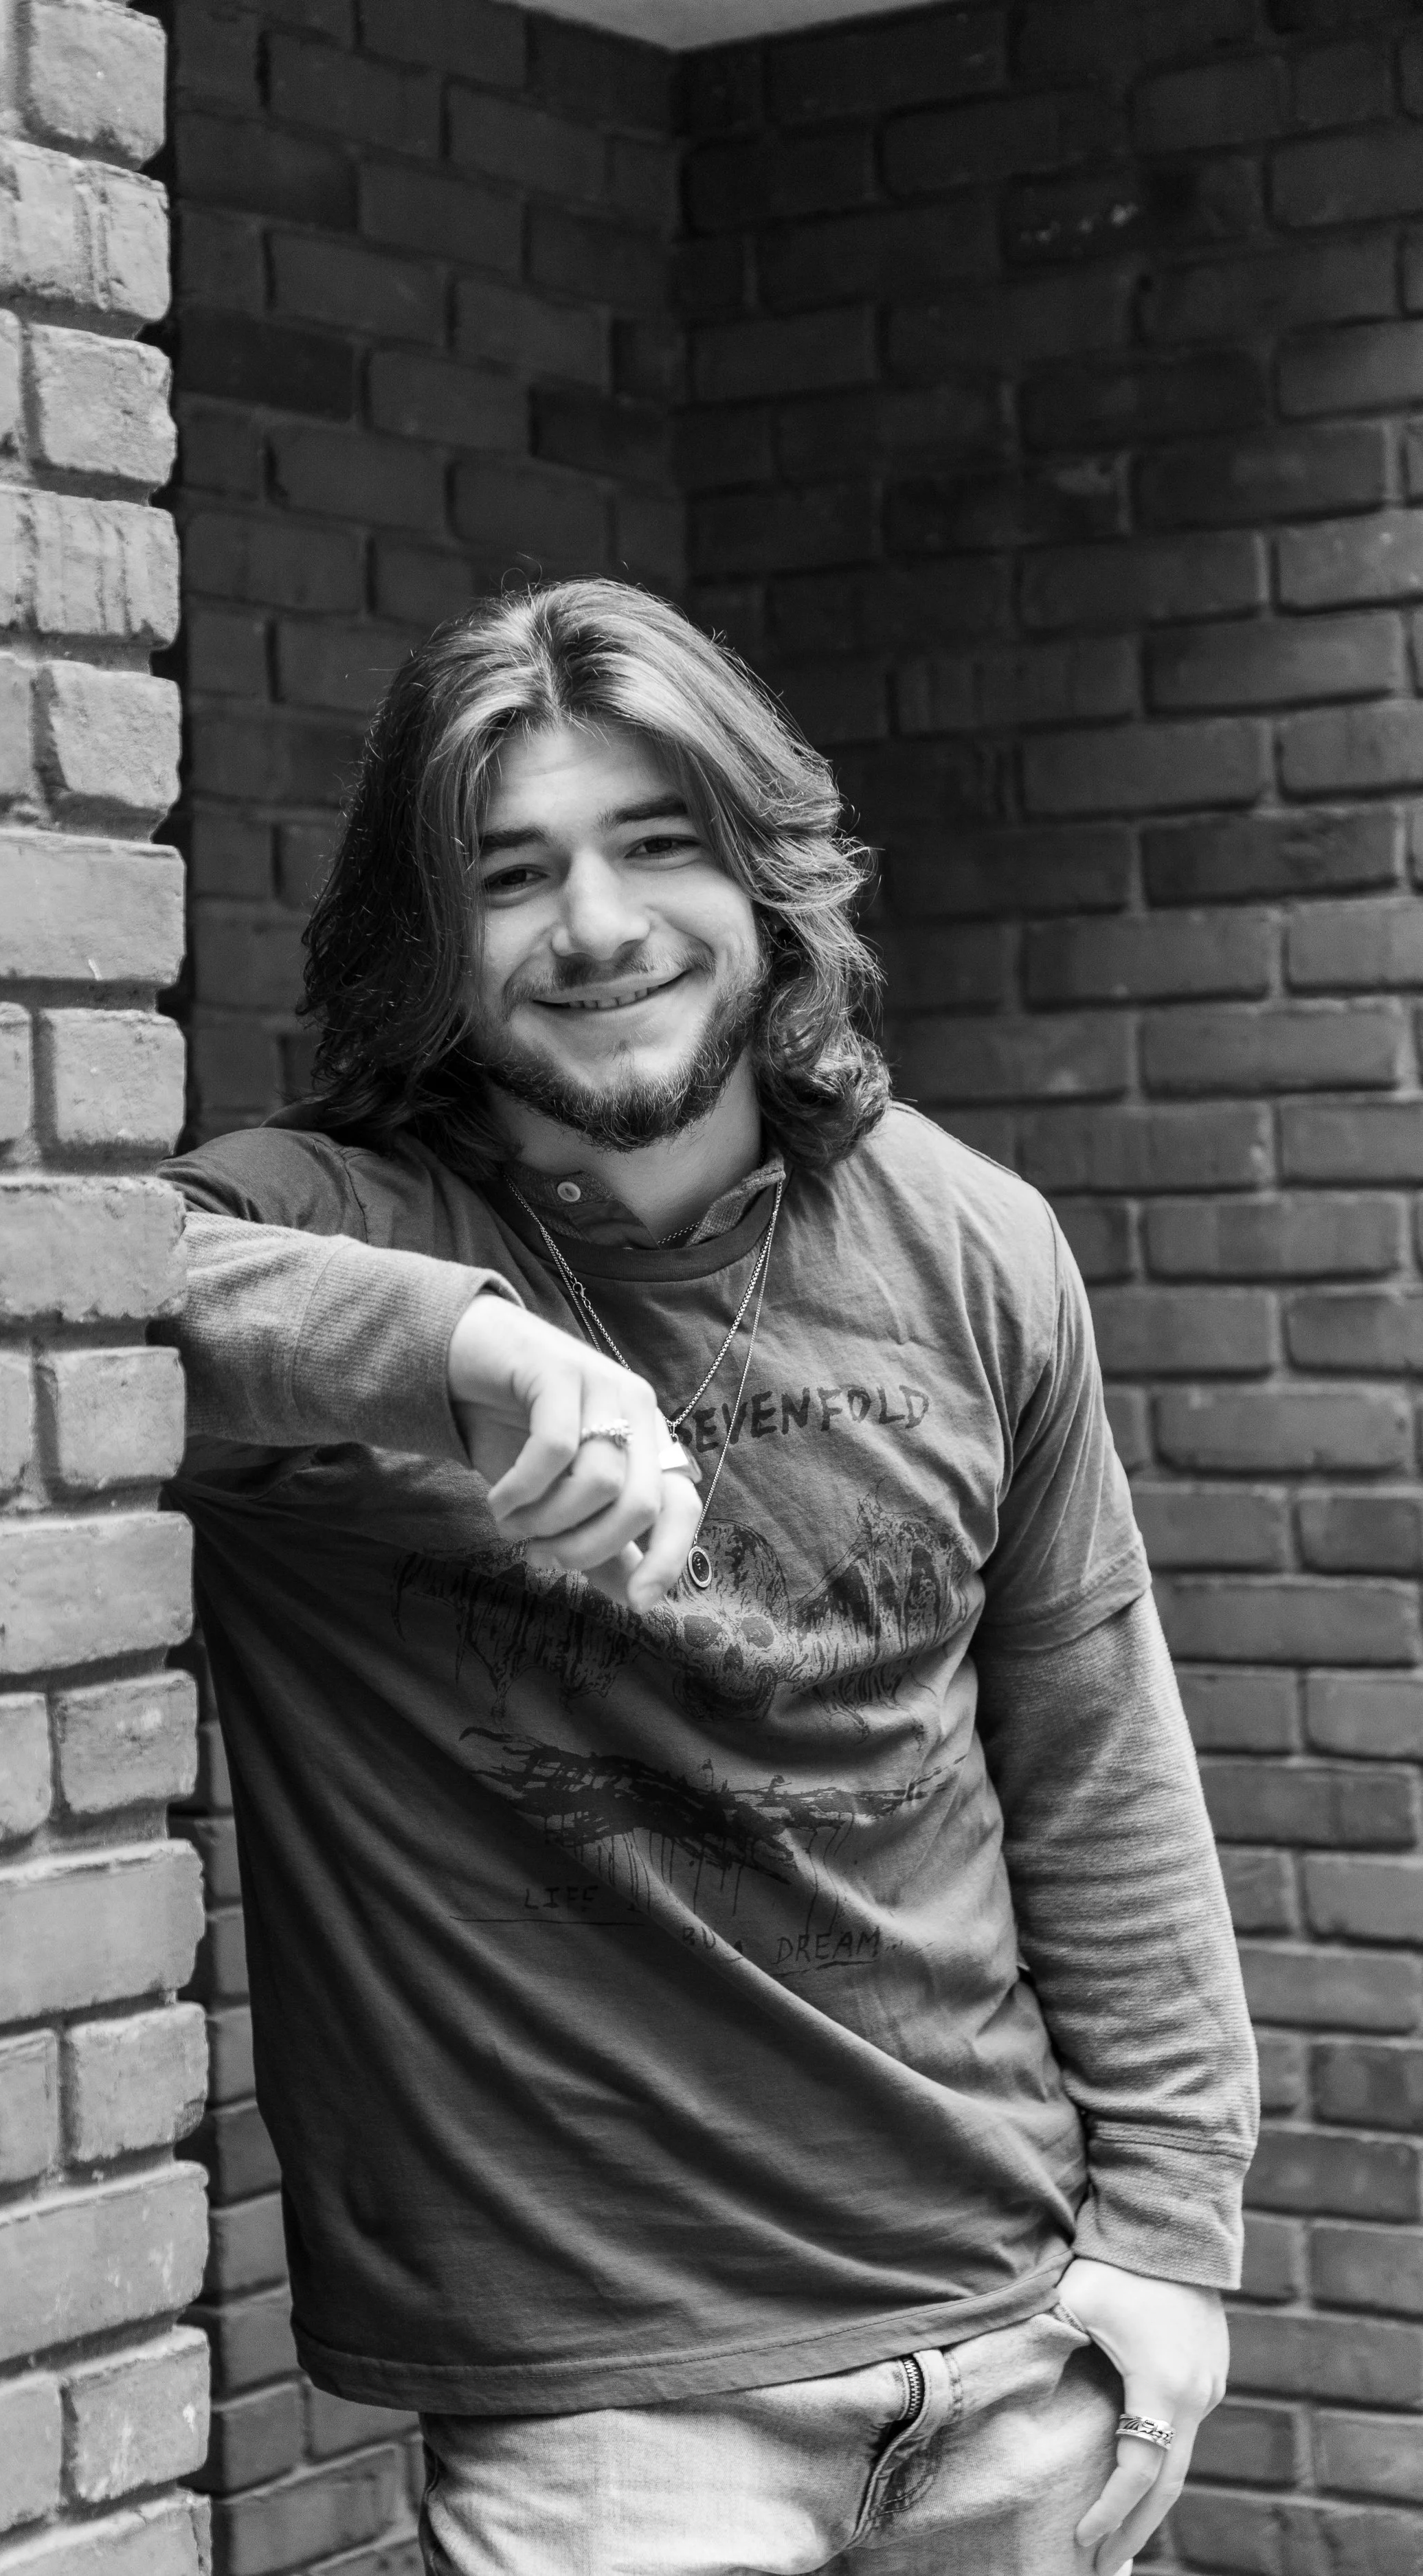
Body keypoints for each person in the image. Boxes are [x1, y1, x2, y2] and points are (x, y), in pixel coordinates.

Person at [159, 580, 1257, 2576]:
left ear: (767, 879)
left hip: (1019, 2354)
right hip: (607, 2413)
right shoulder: (317, 1226)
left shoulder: (971, 1242)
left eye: (656, 843)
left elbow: (1098, 1769)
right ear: (432, 936)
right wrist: (461, 1350)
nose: (595, 926)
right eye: (512, 873)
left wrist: (1169, 2248)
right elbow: (51, 1292)